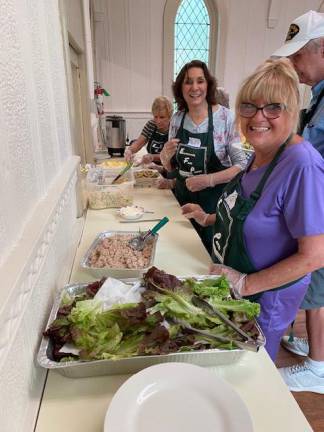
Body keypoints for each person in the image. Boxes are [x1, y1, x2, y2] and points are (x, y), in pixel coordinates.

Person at [181, 58, 324, 362]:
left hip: (265, 303)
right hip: (236, 293)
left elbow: (315, 254)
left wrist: (246, 284)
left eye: (273, 107)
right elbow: (253, 213)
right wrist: (207, 218)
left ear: (292, 112)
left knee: (253, 377)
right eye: (248, 106)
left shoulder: (302, 164)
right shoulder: (259, 155)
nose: (258, 117)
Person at [271, 10, 324, 393]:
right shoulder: (319, 94)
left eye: (297, 55)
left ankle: (318, 367)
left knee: (318, 285)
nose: (292, 64)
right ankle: (311, 346)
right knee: (314, 289)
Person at [160, 60, 246, 253]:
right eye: (188, 82)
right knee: (179, 254)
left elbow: (242, 165)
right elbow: (171, 169)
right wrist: (165, 157)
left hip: (213, 209)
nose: (195, 87)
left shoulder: (226, 118)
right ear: (181, 88)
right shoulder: (177, 119)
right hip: (181, 203)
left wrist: (209, 179)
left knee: (205, 259)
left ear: (208, 85)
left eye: (200, 81)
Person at [125, 96, 173, 167]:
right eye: (155, 117)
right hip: (152, 167)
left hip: (168, 170)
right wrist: (130, 151)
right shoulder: (151, 125)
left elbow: (172, 155)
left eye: (162, 117)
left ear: (170, 116)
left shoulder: (174, 128)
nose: (158, 121)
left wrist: (152, 157)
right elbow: (138, 144)